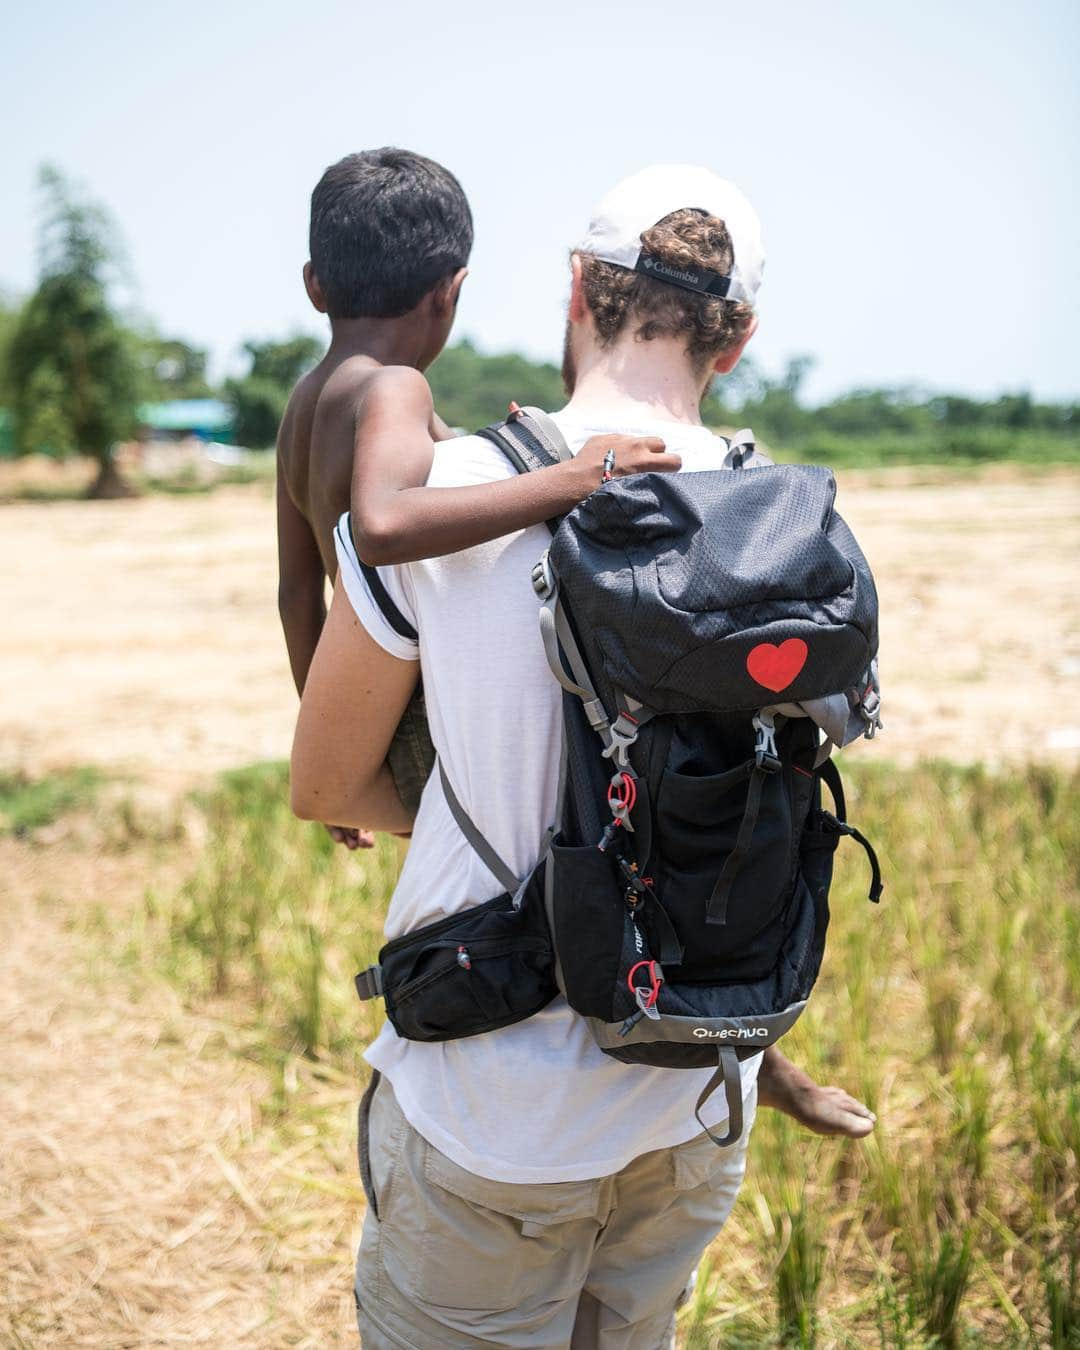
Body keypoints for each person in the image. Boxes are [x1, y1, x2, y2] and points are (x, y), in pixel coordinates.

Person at [291, 165, 874, 1348]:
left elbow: (324, 785)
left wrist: (476, 791)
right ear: (741, 337)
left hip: (494, 1113)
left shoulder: (457, 492)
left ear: (576, 288)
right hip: (698, 1098)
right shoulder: (794, 524)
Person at [276, 148, 670, 843]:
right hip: (429, 727)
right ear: (449, 292)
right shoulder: (395, 387)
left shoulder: (304, 404)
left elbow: (296, 592)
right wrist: (574, 476)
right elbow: (384, 521)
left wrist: (339, 752)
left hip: (370, 719)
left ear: (315, 285)